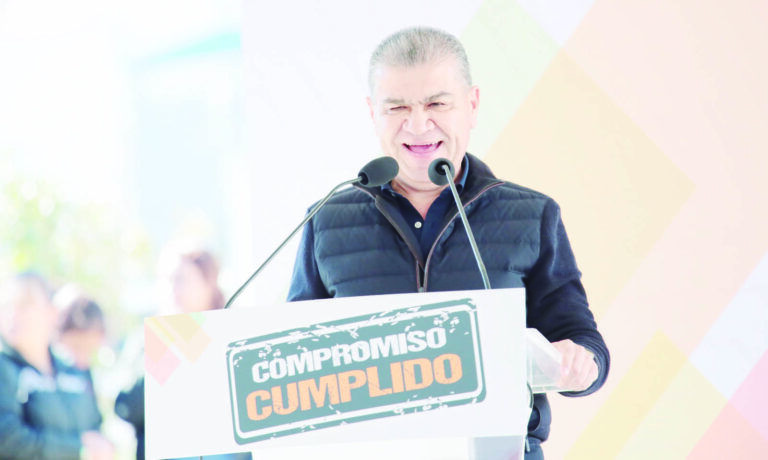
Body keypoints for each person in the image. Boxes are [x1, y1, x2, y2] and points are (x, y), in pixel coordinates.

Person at [287, 27, 609, 458]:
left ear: (471, 105)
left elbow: (582, 341)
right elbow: (294, 360)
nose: (418, 125)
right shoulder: (326, 220)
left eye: (437, 104)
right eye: (397, 107)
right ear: (372, 113)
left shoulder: (532, 216)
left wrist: (580, 362)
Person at [115, 245, 250, 460]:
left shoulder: (234, 338)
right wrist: (171, 344)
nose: (171, 289)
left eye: (180, 279)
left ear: (208, 283)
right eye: (166, 280)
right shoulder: (145, 341)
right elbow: (126, 407)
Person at [0, 272, 113, 460]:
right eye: (6, 305)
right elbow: (8, 439)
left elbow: (95, 428)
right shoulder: (5, 369)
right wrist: (77, 449)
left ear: (51, 312)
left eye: (25, 304)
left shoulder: (74, 369)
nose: (13, 313)